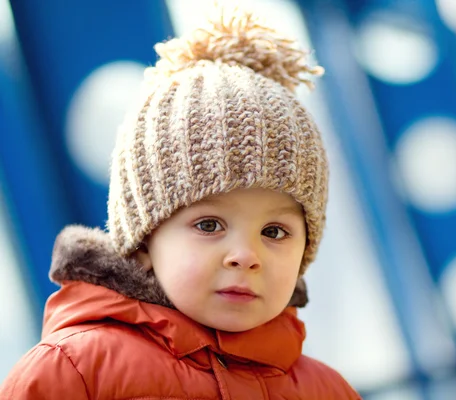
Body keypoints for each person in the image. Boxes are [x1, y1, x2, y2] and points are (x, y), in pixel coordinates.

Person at [0, 6, 361, 400]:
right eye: (209, 225)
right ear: (142, 244)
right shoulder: (72, 372)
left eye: (274, 231)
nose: (245, 255)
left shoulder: (327, 390)